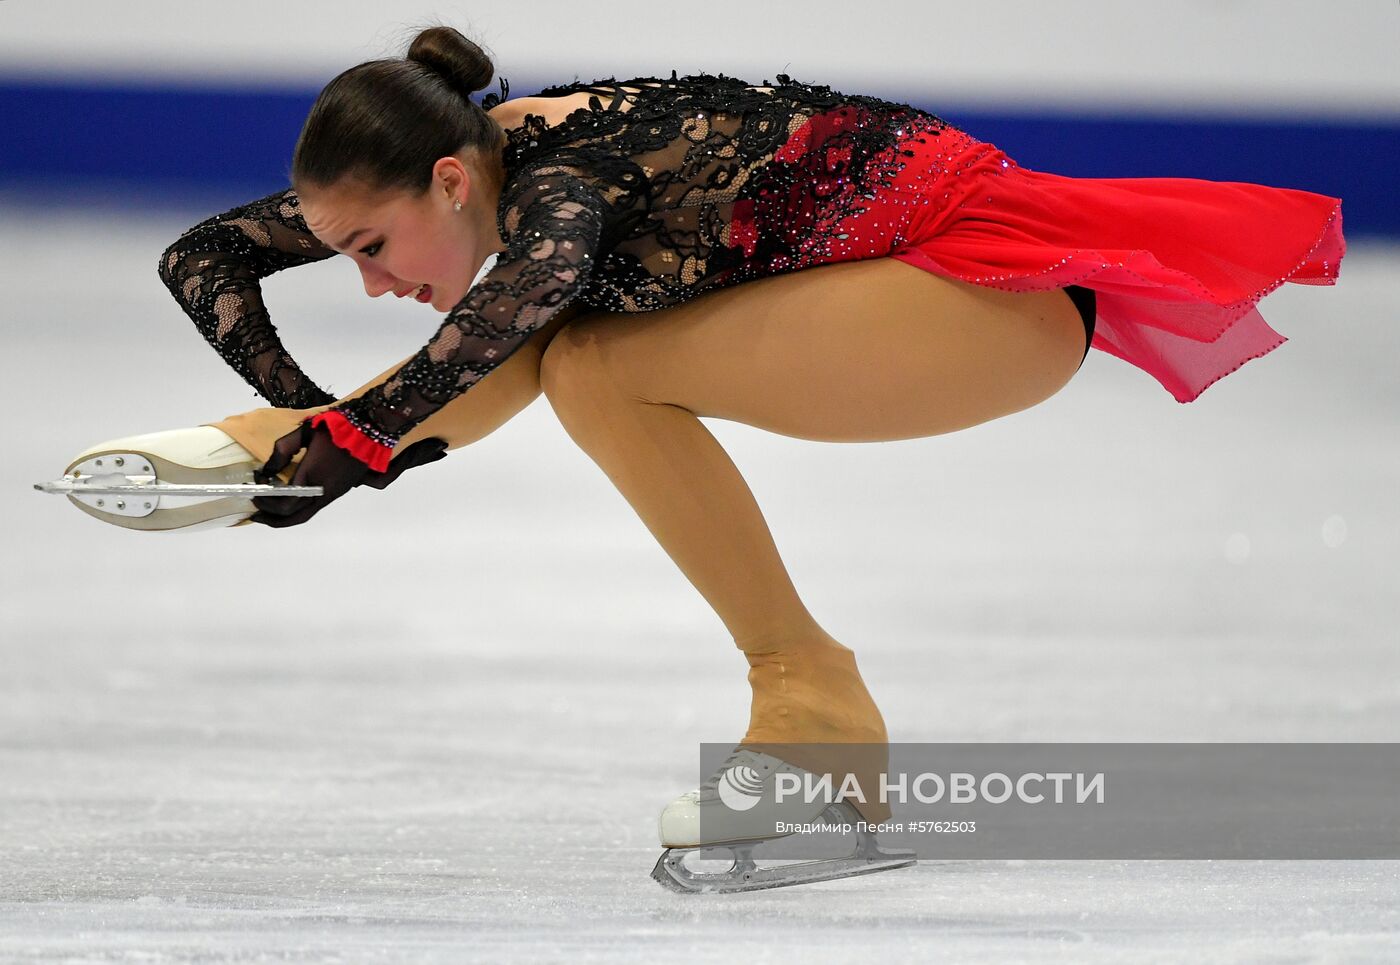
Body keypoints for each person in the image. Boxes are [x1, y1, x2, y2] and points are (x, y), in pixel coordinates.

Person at [77, 25, 1343, 890]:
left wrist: (336, 447)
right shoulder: (479, 171)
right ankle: (810, 709)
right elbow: (205, 256)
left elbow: (505, 326)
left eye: (370, 246)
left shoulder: (562, 187)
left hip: (984, 297)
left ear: (452, 181)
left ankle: (812, 701)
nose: (364, 279)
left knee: (581, 352)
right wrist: (293, 437)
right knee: (559, 343)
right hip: (909, 284)